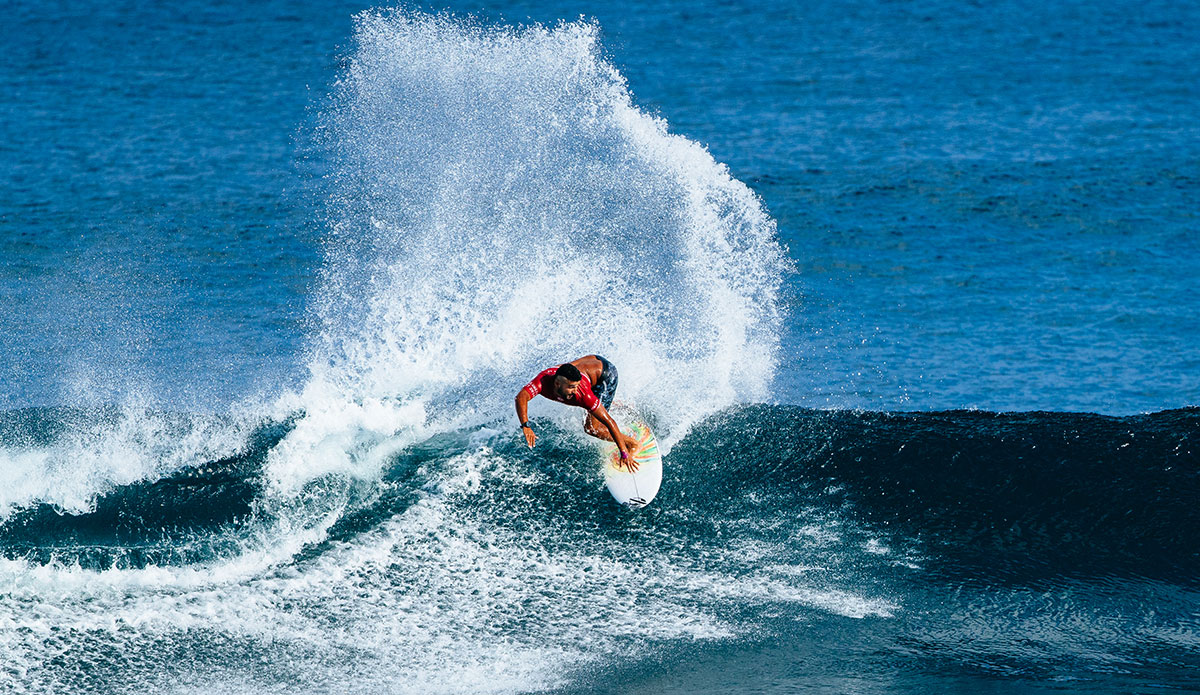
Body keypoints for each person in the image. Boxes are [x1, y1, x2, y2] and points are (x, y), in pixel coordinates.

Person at [515, 355, 640, 471]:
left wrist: (623, 451)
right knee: (595, 408)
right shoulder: (543, 381)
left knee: (592, 428)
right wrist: (525, 426)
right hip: (590, 362)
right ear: (557, 384)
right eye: (571, 387)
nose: (575, 391)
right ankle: (608, 404)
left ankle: (631, 443)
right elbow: (521, 397)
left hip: (605, 374)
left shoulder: (583, 394)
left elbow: (609, 422)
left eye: (576, 386)